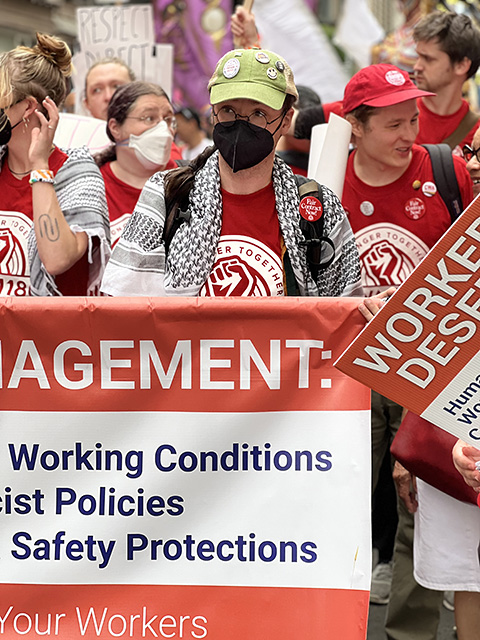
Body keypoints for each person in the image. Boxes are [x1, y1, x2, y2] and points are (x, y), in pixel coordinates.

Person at [341, 62, 473, 637]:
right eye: (393, 124)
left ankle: (409, 632)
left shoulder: (445, 172)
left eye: (413, 120)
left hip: (429, 365)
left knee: (422, 501)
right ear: (356, 127)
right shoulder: (323, 183)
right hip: (349, 367)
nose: (409, 135)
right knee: (337, 494)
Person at [101, 47, 362, 298]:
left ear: (285, 120)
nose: (241, 123)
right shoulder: (165, 193)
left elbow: (345, 314)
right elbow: (125, 307)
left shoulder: (318, 207)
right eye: (228, 110)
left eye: (258, 113)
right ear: (213, 113)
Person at [0, 32, 110, 297]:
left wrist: (39, 166)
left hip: (46, 324)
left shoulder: (78, 174)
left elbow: (57, 260)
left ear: (28, 107)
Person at [95, 81, 182, 247]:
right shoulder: (93, 188)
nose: (163, 129)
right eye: (149, 118)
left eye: (168, 120)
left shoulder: (188, 183)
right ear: (115, 128)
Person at [413, 10, 480, 154]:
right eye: (418, 57)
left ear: (461, 65)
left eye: (428, 59)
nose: (417, 66)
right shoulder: (397, 121)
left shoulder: (477, 134)